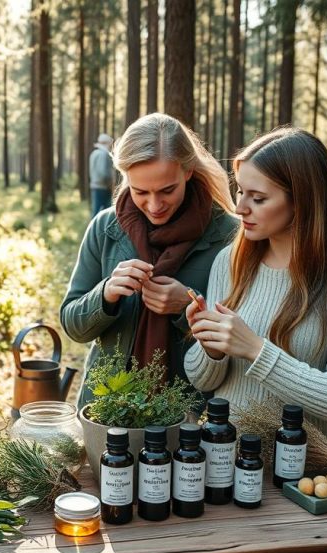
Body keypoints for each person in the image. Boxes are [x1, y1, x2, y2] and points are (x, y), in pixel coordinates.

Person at [184, 127, 327, 440]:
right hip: (224, 459)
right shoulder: (230, 260)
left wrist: (255, 349)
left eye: (259, 198)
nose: (240, 209)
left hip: (306, 471)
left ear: (303, 201)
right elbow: (203, 380)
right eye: (240, 191)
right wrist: (211, 349)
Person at [61, 113, 239, 411]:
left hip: (190, 417)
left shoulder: (230, 236)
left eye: (167, 190)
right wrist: (105, 294)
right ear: (125, 177)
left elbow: (246, 336)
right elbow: (73, 325)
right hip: (108, 411)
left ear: (188, 172)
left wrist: (188, 306)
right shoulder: (105, 229)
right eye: (140, 191)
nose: (155, 206)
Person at [89, 133, 116, 217]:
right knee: (105, 212)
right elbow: (103, 173)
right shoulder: (103, 154)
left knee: (96, 210)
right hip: (103, 187)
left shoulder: (94, 153)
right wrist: (110, 183)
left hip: (96, 186)